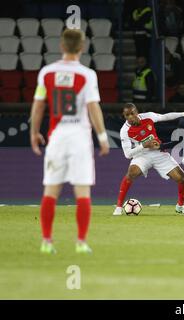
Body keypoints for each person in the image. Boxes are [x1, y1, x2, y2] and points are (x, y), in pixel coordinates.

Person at [30, 29, 110, 254]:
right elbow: (93, 107)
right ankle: (81, 242)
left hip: (57, 137)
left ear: (62, 46)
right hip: (79, 138)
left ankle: (47, 241)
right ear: (82, 48)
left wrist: (34, 133)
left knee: (50, 191)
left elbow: (38, 106)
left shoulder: (47, 72)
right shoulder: (87, 75)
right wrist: (103, 137)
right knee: (82, 192)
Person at [113, 103, 184, 216]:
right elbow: (127, 154)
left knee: (182, 178)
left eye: (132, 113)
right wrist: (144, 145)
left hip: (158, 153)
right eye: (127, 115)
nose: (130, 117)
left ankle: (180, 207)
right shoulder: (124, 130)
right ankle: (118, 207)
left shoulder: (148, 116)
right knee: (131, 173)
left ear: (137, 112)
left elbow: (165, 116)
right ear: (124, 116)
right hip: (142, 155)